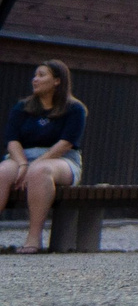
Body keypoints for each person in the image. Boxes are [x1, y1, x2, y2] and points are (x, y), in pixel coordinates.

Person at [3, 61, 86, 254]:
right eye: (35, 75)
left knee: (40, 171)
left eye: (41, 75)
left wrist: (35, 165)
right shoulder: (22, 108)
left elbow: (65, 143)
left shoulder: (75, 109)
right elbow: (12, 141)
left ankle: (34, 238)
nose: (35, 79)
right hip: (23, 157)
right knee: (2, 171)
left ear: (57, 81)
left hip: (62, 160)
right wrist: (23, 163)